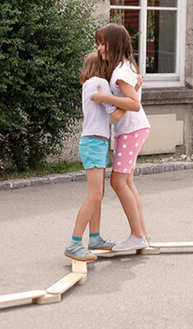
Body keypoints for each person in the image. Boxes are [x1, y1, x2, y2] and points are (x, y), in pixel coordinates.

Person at [91, 23, 151, 252]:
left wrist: (105, 97)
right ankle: (142, 234)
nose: (99, 48)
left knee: (117, 181)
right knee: (126, 182)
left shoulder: (121, 72)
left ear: (114, 44)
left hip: (131, 130)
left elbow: (134, 104)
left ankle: (137, 234)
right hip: (131, 129)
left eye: (102, 43)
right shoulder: (123, 68)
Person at [64, 52, 127, 261]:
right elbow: (114, 111)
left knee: (97, 195)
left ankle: (95, 238)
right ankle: (74, 243)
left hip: (94, 141)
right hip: (94, 142)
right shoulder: (100, 82)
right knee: (95, 196)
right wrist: (132, 94)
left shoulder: (87, 84)